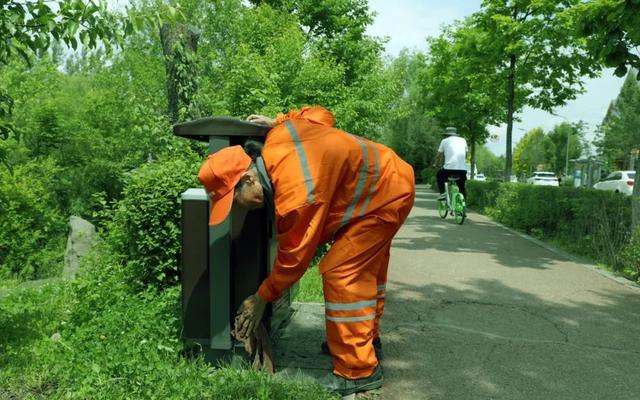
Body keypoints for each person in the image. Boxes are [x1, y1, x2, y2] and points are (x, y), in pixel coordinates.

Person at [197, 106, 415, 396]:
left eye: (235, 201)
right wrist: (278, 120)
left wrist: (261, 297)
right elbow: (322, 115)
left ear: (249, 178)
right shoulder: (279, 135)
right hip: (388, 179)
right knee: (366, 273)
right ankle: (364, 341)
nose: (241, 208)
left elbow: (294, 259)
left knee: (342, 274)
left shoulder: (295, 195)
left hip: (384, 195)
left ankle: (358, 371)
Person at [434, 126, 468, 199]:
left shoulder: (444, 141)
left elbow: (438, 156)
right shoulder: (463, 140)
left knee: (439, 176)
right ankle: (463, 201)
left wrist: (436, 164)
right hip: (462, 170)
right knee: (461, 186)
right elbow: (465, 155)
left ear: (446, 135)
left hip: (448, 169)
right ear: (455, 134)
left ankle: (443, 194)